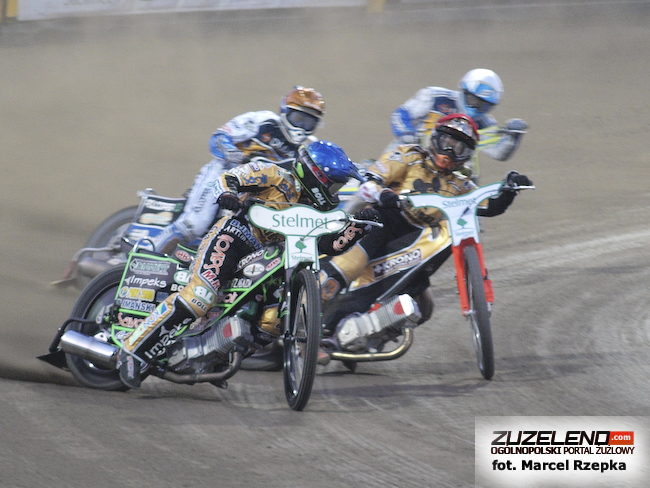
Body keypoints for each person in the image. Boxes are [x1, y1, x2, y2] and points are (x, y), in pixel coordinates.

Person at [116, 140, 379, 388]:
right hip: (234, 237)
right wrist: (229, 194)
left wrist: (358, 228)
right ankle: (132, 349)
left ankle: (213, 355)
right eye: (334, 185)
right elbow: (230, 178)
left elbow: (329, 245)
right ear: (316, 176)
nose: (335, 192)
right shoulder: (275, 175)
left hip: (272, 259)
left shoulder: (319, 210)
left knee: (273, 321)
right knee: (200, 296)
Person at [318, 114, 532, 350]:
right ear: (436, 139)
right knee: (351, 263)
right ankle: (310, 309)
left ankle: (364, 337)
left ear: (467, 154)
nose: (450, 150)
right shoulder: (409, 155)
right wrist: (384, 194)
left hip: (417, 240)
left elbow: (488, 207)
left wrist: (509, 190)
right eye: (448, 142)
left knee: (424, 307)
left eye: (459, 147)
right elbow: (371, 179)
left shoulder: (461, 185)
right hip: (383, 221)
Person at [149, 86, 326, 253]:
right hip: (226, 175)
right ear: (285, 112)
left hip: (262, 193)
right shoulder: (262, 121)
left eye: (309, 122)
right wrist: (234, 154)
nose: (303, 127)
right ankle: (145, 254)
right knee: (195, 224)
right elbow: (219, 137)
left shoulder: (309, 148)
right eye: (299, 119)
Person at [385, 68, 528, 180]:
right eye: (474, 100)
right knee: (385, 170)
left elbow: (498, 153)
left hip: (450, 171)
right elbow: (401, 114)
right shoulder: (435, 97)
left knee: (471, 183)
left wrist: (513, 137)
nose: (476, 107)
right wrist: (407, 134)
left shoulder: (485, 123)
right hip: (415, 156)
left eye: (483, 105)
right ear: (464, 91)